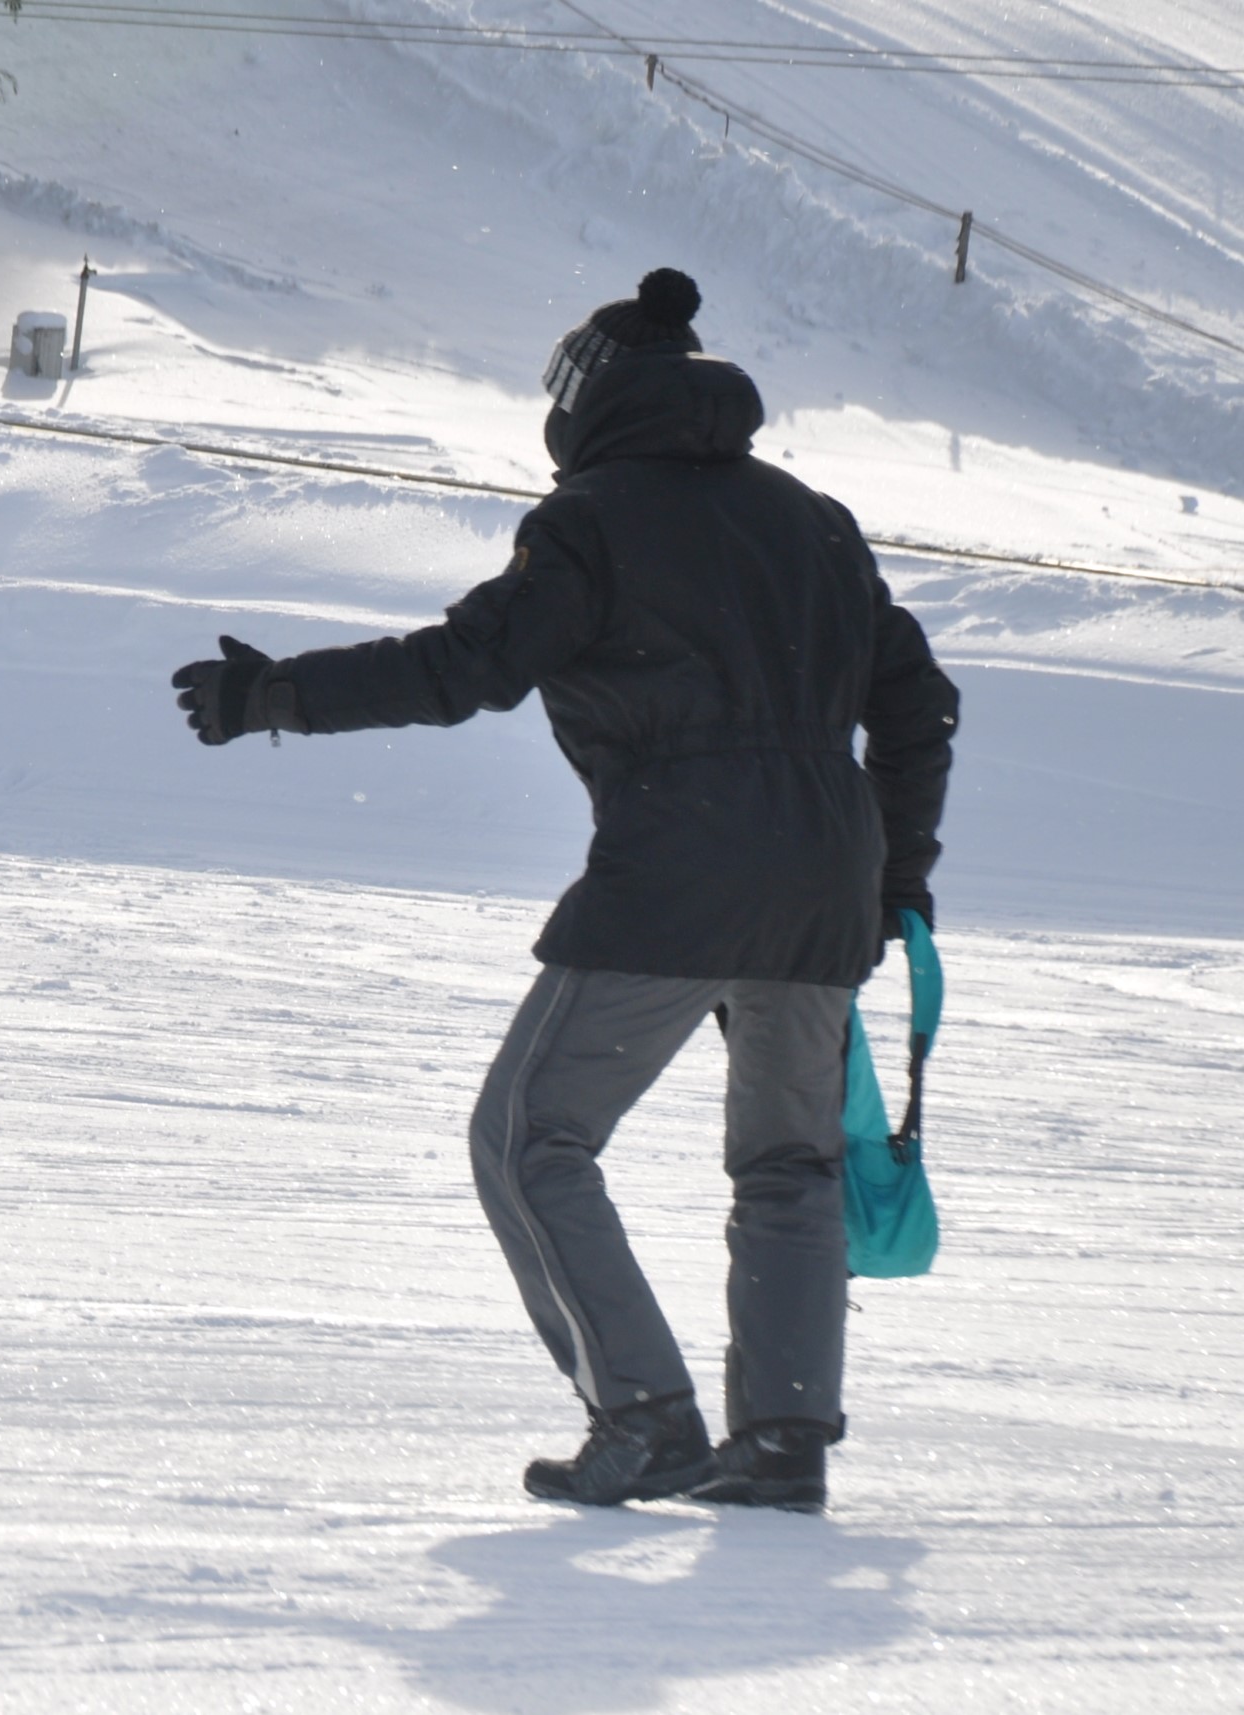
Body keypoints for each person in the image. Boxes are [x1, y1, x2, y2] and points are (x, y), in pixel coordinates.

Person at [169, 271, 958, 1512]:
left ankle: (643, 1413)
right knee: (790, 1162)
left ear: (590, 398)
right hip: (822, 884)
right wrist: (890, 872)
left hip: (682, 871)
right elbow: (919, 704)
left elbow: (466, 665)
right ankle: (784, 1438)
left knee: (528, 1137)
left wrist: (275, 695)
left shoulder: (595, 519)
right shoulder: (812, 518)